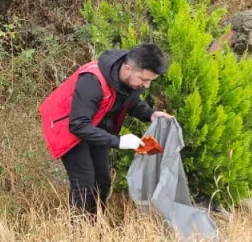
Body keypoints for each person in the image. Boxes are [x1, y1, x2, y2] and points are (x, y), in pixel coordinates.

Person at [40, 43, 171, 216]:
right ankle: (80, 233)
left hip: (94, 124)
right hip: (67, 125)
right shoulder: (92, 80)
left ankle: (95, 225)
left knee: (102, 181)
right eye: (144, 80)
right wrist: (119, 141)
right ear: (127, 69)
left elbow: (130, 101)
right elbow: (78, 125)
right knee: (84, 182)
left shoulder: (129, 79)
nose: (146, 86)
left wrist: (151, 115)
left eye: (149, 81)